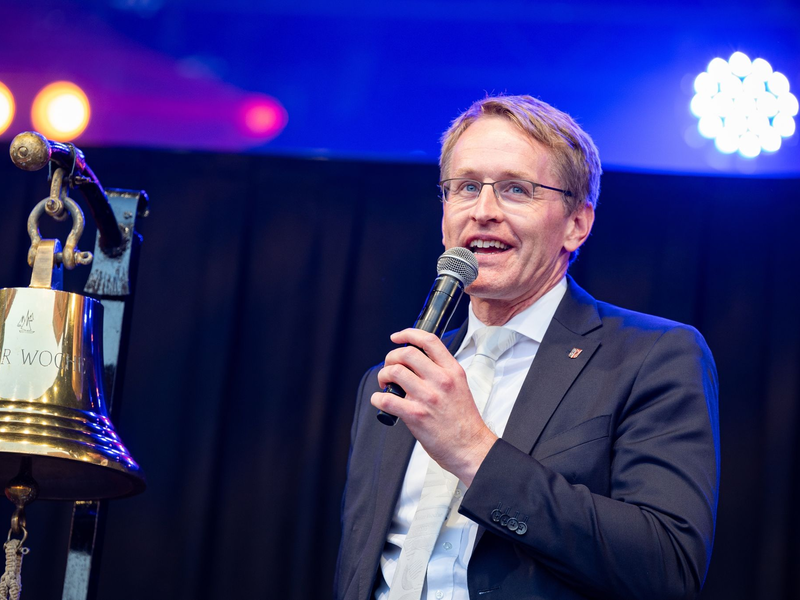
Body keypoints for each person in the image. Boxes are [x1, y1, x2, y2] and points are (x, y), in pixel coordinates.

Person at [335, 95, 719, 600]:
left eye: (516, 189)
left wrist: (473, 449)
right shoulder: (393, 382)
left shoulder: (653, 357)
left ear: (577, 224)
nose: (483, 211)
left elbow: (668, 568)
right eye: (466, 187)